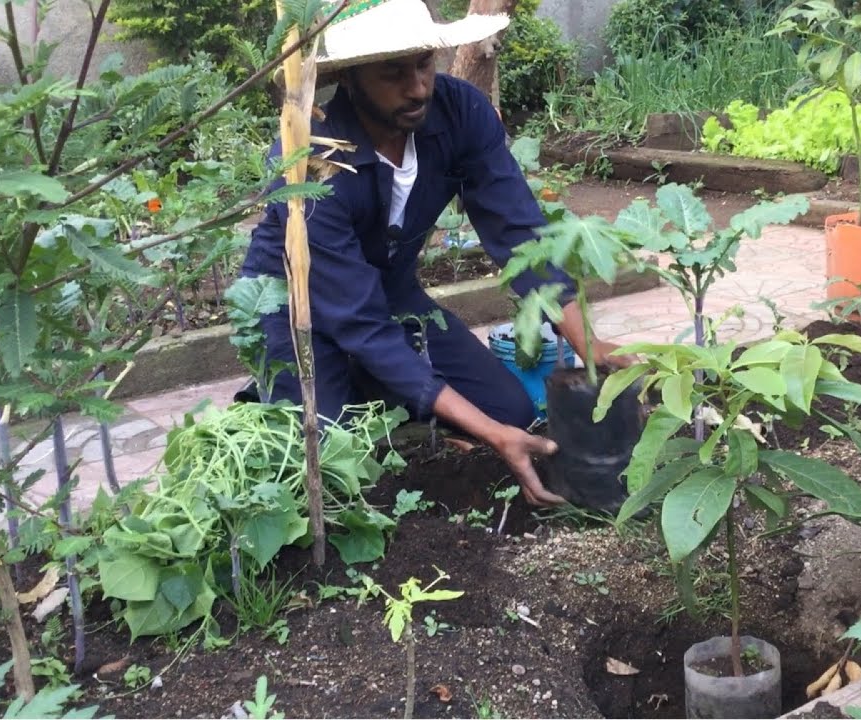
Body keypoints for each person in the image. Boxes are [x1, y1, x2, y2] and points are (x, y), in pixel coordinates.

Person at [240, 0, 628, 508]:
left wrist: (589, 344)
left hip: (392, 294)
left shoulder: (460, 112)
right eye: (393, 73)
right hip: (297, 311)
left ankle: (383, 386)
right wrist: (487, 435)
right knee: (331, 460)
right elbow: (363, 324)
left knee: (509, 409)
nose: (418, 87)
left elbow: (520, 233)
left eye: (424, 63)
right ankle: (295, 392)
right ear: (352, 79)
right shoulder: (313, 162)